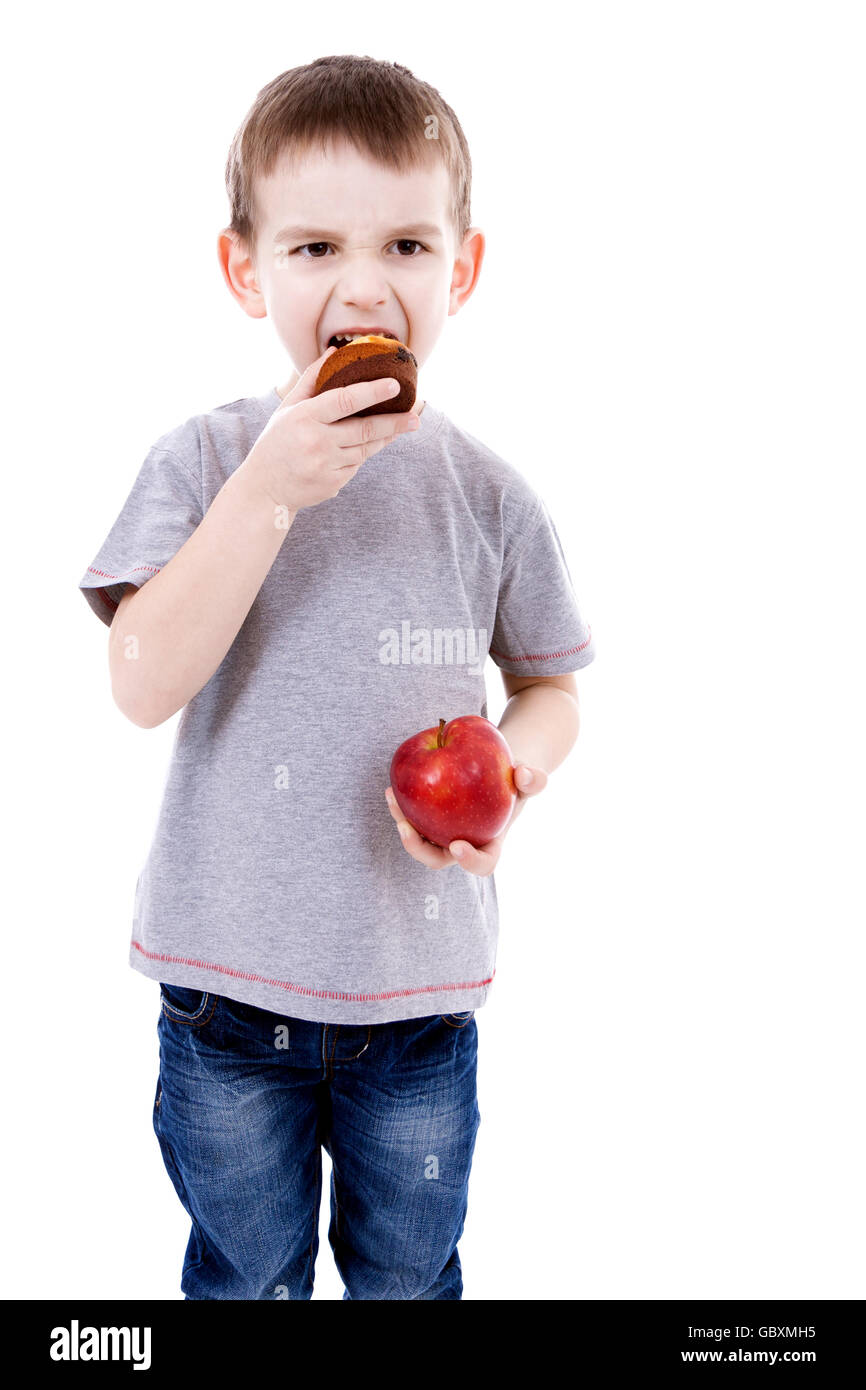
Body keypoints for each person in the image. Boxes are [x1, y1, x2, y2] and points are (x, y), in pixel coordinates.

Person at [78, 55, 596, 1300]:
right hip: (224, 1001)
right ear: (243, 269)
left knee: (409, 1280)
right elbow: (141, 681)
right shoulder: (203, 461)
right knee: (244, 1277)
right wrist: (266, 489)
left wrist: (513, 770)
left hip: (416, 1002)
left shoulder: (490, 496)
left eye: (406, 246)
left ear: (460, 269)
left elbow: (552, 687)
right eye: (313, 248)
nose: (363, 283)